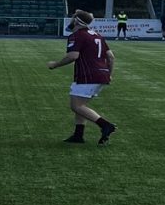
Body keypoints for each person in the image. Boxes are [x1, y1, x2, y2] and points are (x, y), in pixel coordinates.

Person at [47, 10, 116, 145]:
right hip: (101, 74)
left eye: (73, 18)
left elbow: (73, 56)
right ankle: (78, 135)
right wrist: (109, 74)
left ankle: (106, 125)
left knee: (76, 106)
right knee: (81, 105)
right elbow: (111, 57)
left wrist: (55, 64)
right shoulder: (97, 35)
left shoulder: (77, 35)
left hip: (87, 75)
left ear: (77, 21)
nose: (71, 20)